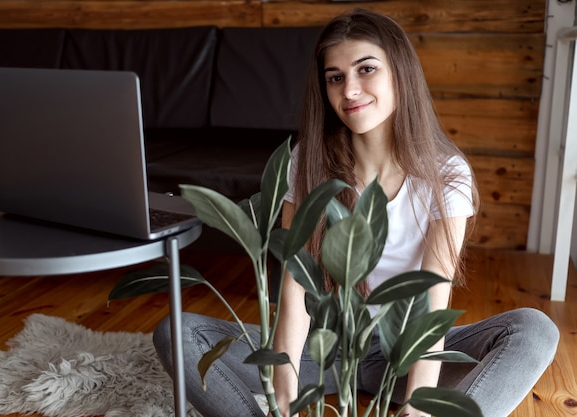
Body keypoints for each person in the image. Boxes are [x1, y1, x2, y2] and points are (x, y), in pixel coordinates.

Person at [154, 8, 559, 417]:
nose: (349, 90)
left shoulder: (446, 173)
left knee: (534, 330)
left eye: (366, 69)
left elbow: (433, 303)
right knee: (178, 333)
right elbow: (294, 291)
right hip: (327, 349)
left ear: (399, 72)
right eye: (335, 77)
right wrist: (283, 391)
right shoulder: (306, 163)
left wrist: (418, 406)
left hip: (404, 351)